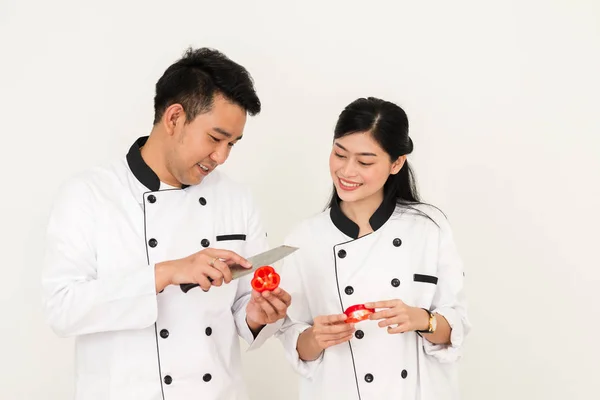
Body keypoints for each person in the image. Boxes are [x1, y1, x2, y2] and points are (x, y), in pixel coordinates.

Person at [41, 47, 292, 400]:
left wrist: (257, 314)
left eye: (232, 144)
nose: (221, 157)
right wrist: (165, 272)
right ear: (174, 118)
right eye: (215, 139)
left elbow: (242, 307)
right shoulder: (89, 195)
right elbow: (62, 309)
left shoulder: (237, 199)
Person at [275, 97, 470, 399]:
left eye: (365, 162)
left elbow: (457, 326)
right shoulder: (304, 239)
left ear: (397, 163)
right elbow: (295, 341)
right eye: (340, 154)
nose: (347, 171)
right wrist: (317, 336)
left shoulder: (429, 227)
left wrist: (422, 319)